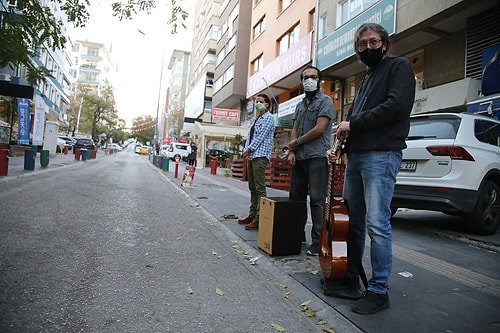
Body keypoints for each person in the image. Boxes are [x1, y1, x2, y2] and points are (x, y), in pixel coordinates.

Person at [327, 23, 416, 315]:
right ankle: (350, 278)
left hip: (382, 154)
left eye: (373, 42)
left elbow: (396, 106)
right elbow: (352, 120)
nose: (368, 48)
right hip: (357, 156)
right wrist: (339, 147)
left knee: (377, 224)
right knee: (352, 221)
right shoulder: (365, 79)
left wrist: (352, 123)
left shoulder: (398, 68)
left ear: (385, 44)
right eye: (362, 44)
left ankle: (379, 291)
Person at [287, 65, 335, 256]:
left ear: (319, 80)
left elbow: (320, 129)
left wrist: (295, 143)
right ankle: (297, 235)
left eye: (313, 76)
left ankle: (318, 240)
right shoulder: (299, 105)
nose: (309, 80)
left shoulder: (326, 101)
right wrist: (292, 150)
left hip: (317, 157)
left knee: (317, 200)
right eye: (306, 77)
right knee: (296, 199)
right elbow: (295, 128)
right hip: (299, 157)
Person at [237, 94, 275, 230]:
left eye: (260, 102)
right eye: (256, 102)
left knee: (259, 188)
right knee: (252, 187)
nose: (257, 104)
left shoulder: (269, 118)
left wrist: (249, 149)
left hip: (261, 155)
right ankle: (252, 214)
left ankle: (260, 217)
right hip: (252, 156)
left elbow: (260, 137)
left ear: (267, 104)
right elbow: (250, 137)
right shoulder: (255, 119)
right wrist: (246, 150)